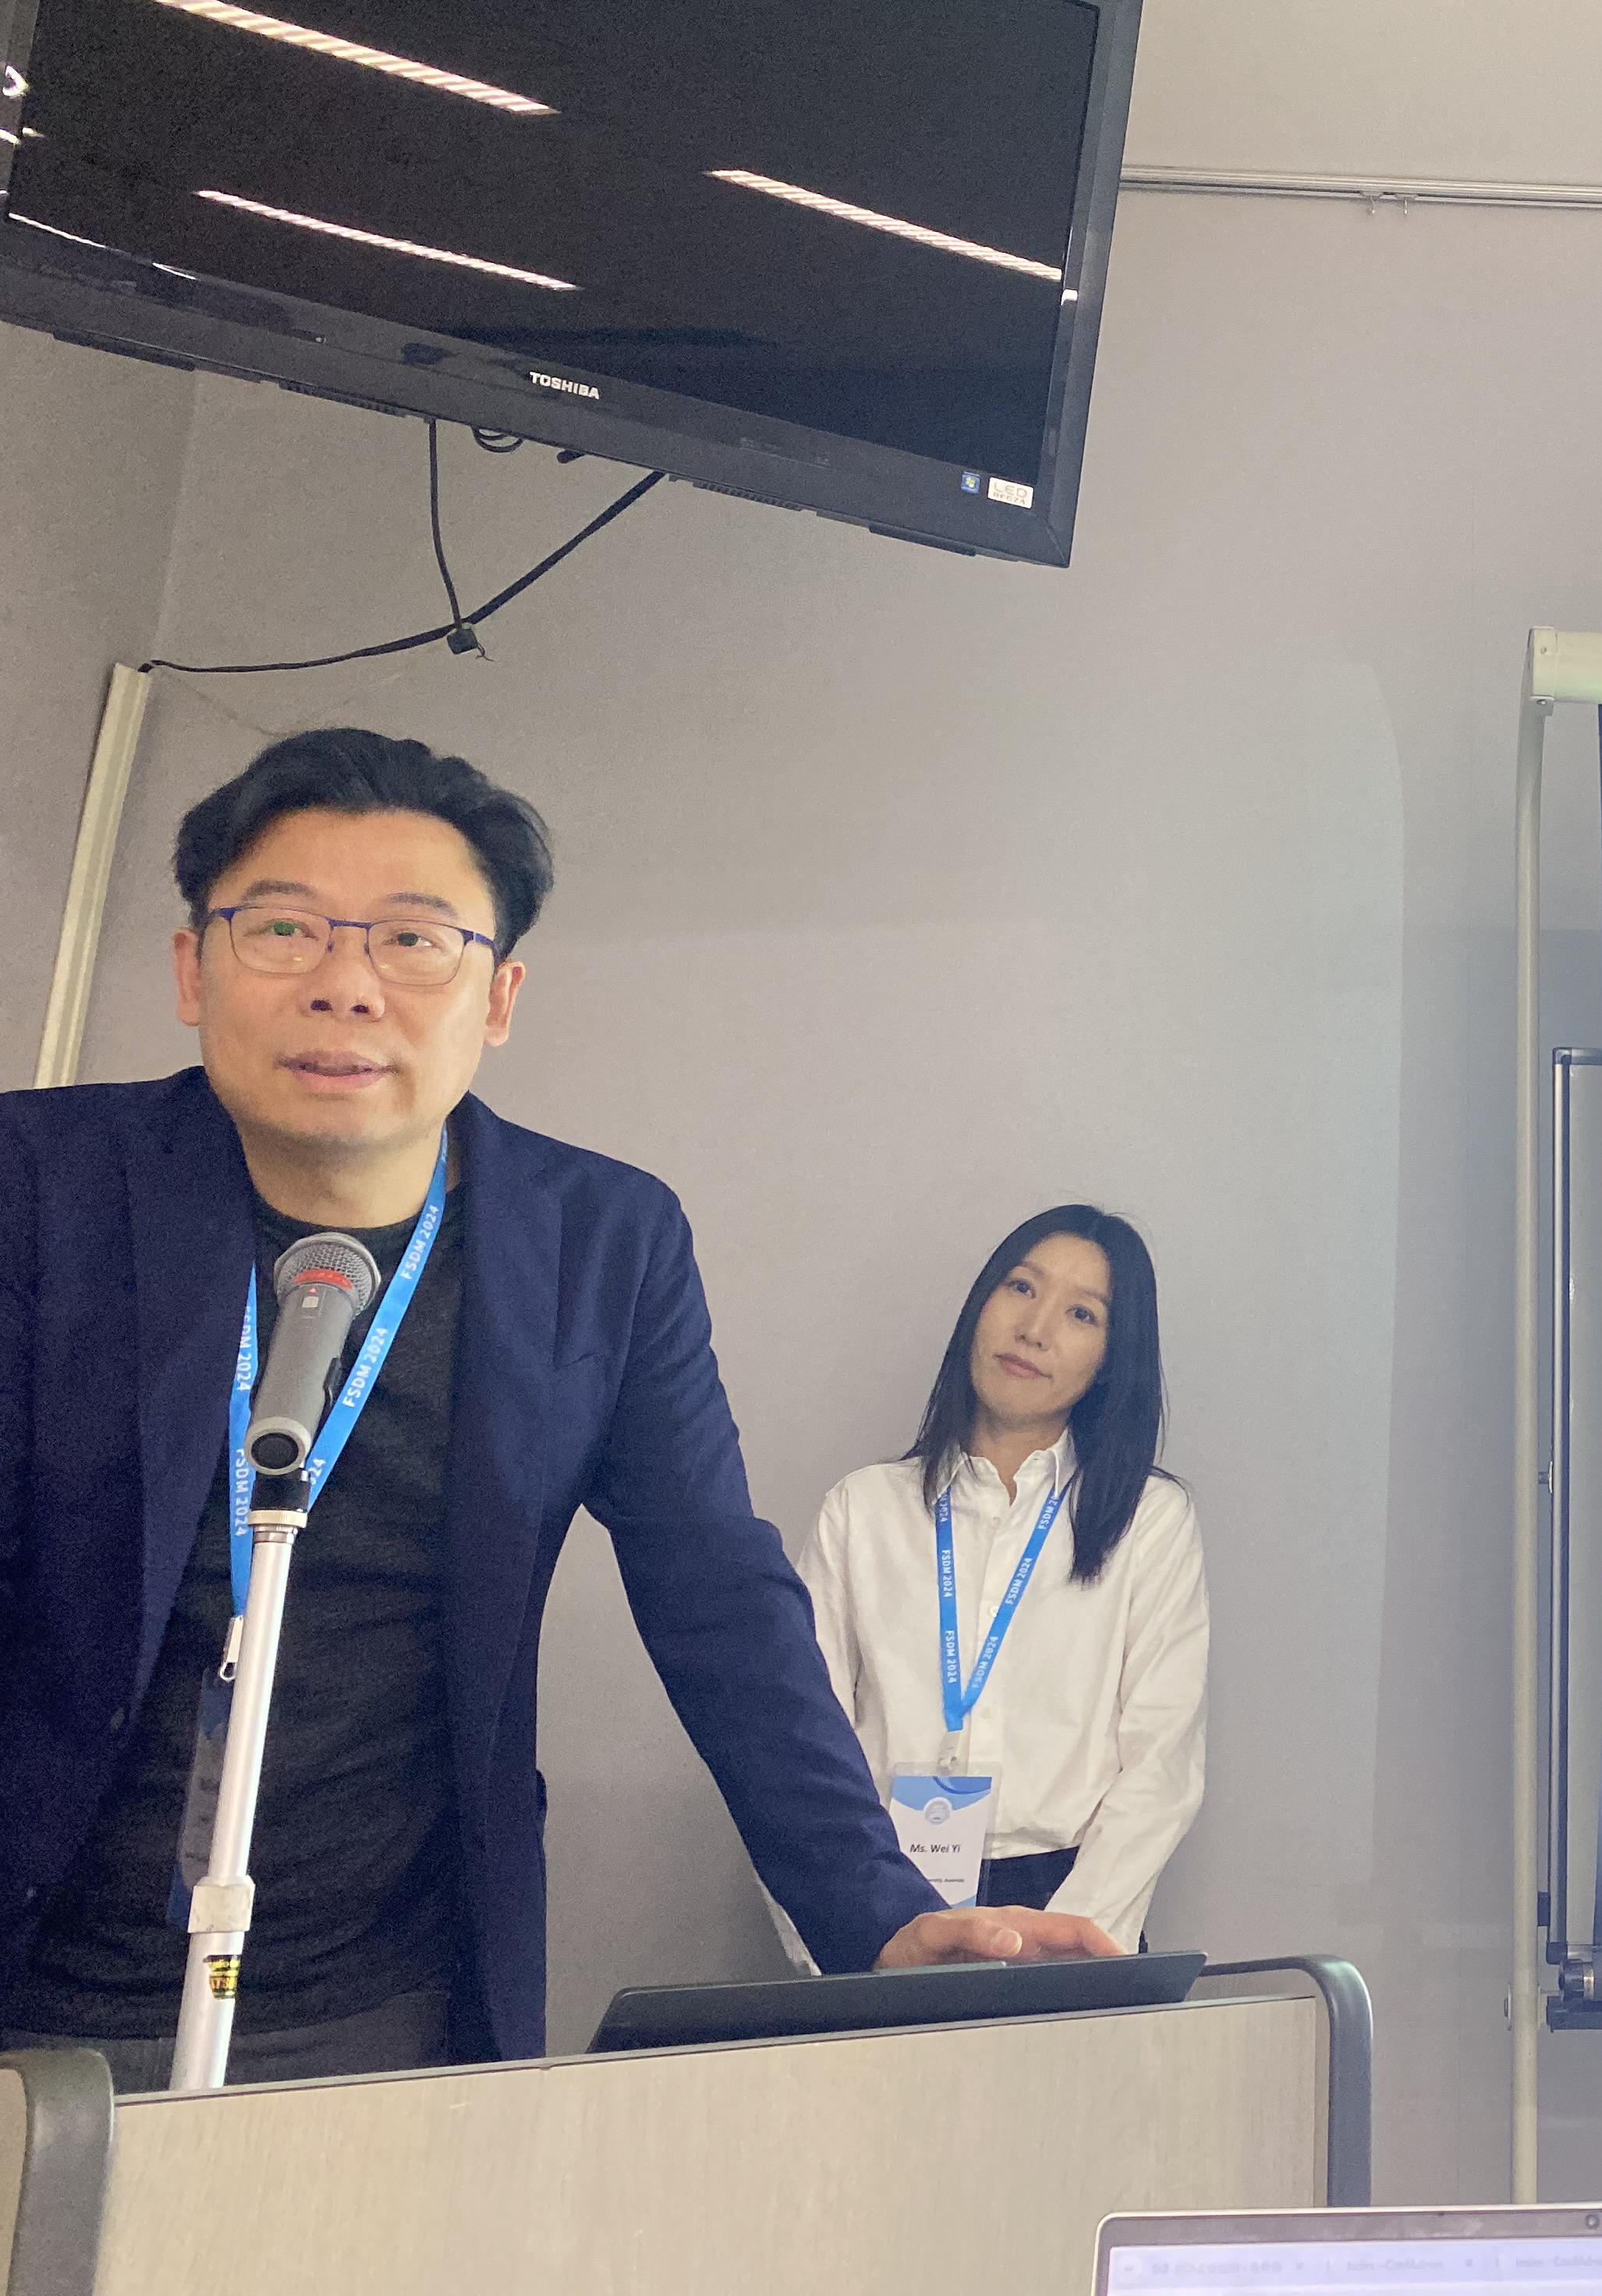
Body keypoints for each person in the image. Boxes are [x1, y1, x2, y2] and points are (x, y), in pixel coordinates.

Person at [0, 729, 1114, 2089]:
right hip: (37, 1972)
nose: (346, 983)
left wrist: (877, 1909)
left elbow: (716, 1594)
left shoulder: (601, 1244)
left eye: (415, 940)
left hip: (379, 1999)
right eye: (283, 928)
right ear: (192, 968)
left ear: (499, 995)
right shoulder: (37, 1187)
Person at [785, 1210, 1207, 1959]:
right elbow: (800, 1749)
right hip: (889, 1900)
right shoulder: (862, 1510)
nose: (1035, 1329)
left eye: (1082, 1314)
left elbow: (1161, 1764)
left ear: (1113, 1358)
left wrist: (1067, 1948)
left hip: (1071, 1898)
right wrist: (855, 1940)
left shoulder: (1149, 1519)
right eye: (1021, 1287)